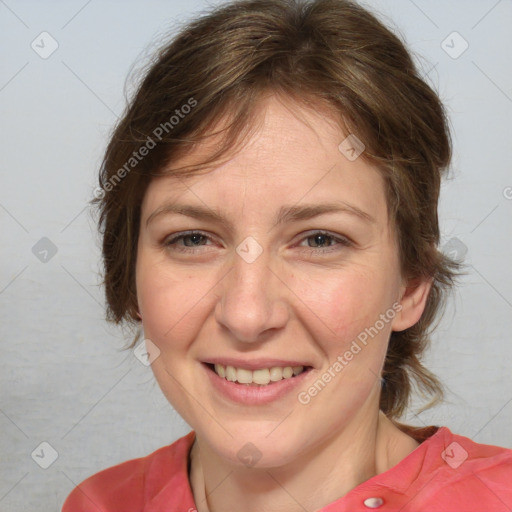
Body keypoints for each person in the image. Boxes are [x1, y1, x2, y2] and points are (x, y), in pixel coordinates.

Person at [62, 0, 512, 510]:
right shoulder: (99, 502)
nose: (247, 314)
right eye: (192, 239)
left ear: (411, 284)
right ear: (130, 273)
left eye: (319, 240)